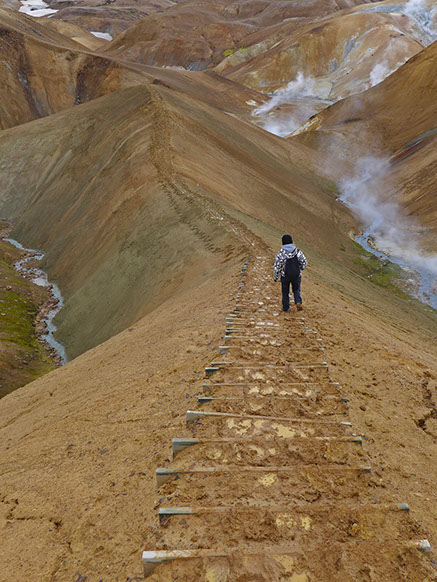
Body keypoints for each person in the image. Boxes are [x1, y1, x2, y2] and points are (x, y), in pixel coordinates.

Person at [273, 234, 307, 312]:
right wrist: (300, 269)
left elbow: (277, 266)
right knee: (296, 289)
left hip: (285, 276)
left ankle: (286, 308)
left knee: (285, 292)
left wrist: (275, 277)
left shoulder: (281, 254)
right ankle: (298, 301)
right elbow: (304, 262)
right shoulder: (298, 252)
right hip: (296, 275)